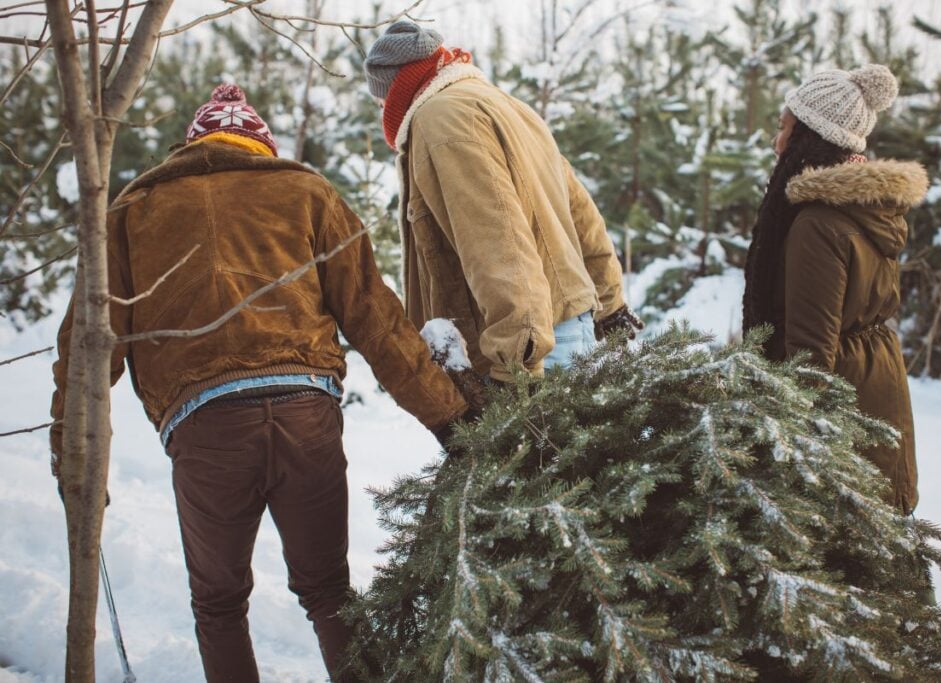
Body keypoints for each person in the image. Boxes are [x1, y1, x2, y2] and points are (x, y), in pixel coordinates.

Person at [49, 84, 469, 682]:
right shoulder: (305, 192)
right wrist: (449, 416)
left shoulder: (135, 211)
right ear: (260, 147)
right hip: (305, 417)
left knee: (218, 605)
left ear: (190, 148)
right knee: (329, 593)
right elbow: (376, 319)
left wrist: (74, 452)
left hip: (206, 426)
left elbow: (89, 345)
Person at [363, 21, 643, 383]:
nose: (382, 108)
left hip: (524, 351)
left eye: (381, 99)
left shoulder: (443, 119)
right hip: (565, 330)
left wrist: (515, 360)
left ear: (397, 87)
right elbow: (579, 213)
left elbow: (497, 241)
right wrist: (610, 302)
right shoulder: (507, 106)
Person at [742, 65, 927, 514]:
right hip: (875, 381)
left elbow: (810, 351)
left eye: (784, 128)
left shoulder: (817, 223)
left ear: (810, 137)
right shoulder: (864, 208)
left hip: (842, 398)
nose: (777, 141)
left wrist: (795, 445)